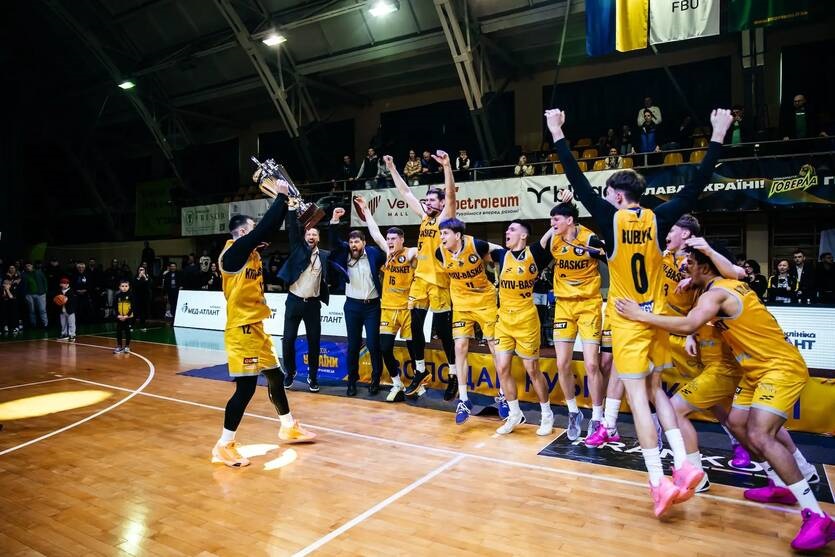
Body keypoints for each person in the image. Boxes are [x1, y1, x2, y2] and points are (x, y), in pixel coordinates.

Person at [544, 106, 732, 517]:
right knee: (656, 391)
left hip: (629, 320)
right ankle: (684, 464)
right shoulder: (658, 218)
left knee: (639, 401)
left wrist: (557, 131)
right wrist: (718, 134)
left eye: (606, 194)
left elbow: (576, 179)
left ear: (615, 195)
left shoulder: (609, 219)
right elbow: (696, 185)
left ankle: (658, 481)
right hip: (657, 316)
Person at [615, 245, 834, 552]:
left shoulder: (716, 294)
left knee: (760, 433)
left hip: (779, 367)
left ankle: (817, 516)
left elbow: (689, 323)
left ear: (705, 266)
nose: (684, 268)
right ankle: (780, 482)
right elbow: (715, 291)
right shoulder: (721, 285)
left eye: (690, 263)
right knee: (737, 423)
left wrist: (641, 316)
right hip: (753, 370)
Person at [213, 175, 315, 468]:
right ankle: (224, 445)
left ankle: (288, 426)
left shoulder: (252, 252)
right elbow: (263, 230)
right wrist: (280, 196)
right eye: (252, 228)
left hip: (256, 327)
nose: (257, 231)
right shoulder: (232, 254)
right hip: (240, 330)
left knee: (275, 376)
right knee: (245, 388)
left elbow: (267, 230)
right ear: (243, 232)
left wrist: (290, 206)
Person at [386, 153, 457, 399]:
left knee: (444, 332)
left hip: (440, 282)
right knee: (415, 326)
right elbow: (405, 192)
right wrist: (392, 167)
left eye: (432, 200)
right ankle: (420, 370)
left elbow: (451, 195)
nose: (427, 203)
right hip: (420, 281)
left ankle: (454, 374)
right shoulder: (425, 218)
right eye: (426, 200)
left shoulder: (445, 219)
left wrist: (447, 166)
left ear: (441, 203)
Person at [544, 202, 606, 440]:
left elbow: (612, 258)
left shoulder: (589, 239)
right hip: (563, 306)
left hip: (588, 305)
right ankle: (573, 412)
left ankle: (597, 417)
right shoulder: (554, 241)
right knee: (562, 364)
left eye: (556, 220)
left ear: (569, 220)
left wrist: (601, 251)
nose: (552, 224)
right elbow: (537, 250)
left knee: (592, 364)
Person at [436, 217, 503, 424]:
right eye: (441, 233)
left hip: (485, 300)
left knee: (495, 347)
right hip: (461, 304)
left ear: (457, 235)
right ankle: (464, 399)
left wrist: (500, 274)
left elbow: (501, 251)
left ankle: (503, 394)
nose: (442, 237)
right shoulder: (440, 253)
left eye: (445, 233)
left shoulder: (477, 245)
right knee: (460, 347)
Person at [492, 220, 556, 436]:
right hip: (504, 320)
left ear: (523, 235)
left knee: (532, 370)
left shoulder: (534, 253)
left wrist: (561, 214)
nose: (507, 232)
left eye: (512, 229)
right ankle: (514, 413)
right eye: (507, 229)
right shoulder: (501, 255)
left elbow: (551, 233)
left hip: (526, 320)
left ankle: (546, 414)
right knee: (502, 368)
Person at [354, 196, 418, 402]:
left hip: (407, 309)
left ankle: (418, 381)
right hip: (388, 309)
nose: (389, 241)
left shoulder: (410, 253)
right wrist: (366, 210)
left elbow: (420, 251)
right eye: (388, 239)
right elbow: (374, 233)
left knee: (414, 349)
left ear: (402, 240)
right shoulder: (388, 254)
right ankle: (397, 383)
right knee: (385, 348)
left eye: (393, 239)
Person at [329, 206, 386, 396]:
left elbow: (388, 253)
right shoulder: (344, 252)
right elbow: (334, 241)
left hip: (372, 307)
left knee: (373, 344)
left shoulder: (374, 253)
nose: (354, 245)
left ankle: (375, 380)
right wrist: (335, 220)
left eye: (357, 242)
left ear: (364, 242)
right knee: (353, 345)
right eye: (351, 242)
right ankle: (352, 382)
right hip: (352, 306)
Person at [277, 197, 331, 393]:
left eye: (314, 234)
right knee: (288, 339)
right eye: (308, 233)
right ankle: (289, 372)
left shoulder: (324, 256)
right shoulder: (298, 249)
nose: (311, 236)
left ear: (318, 238)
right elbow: (293, 231)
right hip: (294, 301)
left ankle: (313, 377)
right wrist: (292, 210)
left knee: (314, 342)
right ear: (305, 236)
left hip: (313, 305)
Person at [113, 279, 134, 354]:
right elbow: (115, 306)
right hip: (119, 317)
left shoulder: (131, 295)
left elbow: (133, 307)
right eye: (122, 286)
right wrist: (118, 315)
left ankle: (127, 346)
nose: (124, 288)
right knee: (119, 332)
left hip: (128, 318)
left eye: (126, 286)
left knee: (127, 332)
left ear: (129, 287)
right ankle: (119, 346)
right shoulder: (117, 295)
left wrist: (127, 316)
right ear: (119, 287)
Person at [54, 277, 76, 342]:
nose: (65, 284)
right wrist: (57, 300)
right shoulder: (59, 291)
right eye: (63, 283)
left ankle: (72, 335)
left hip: (70, 310)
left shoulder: (71, 291)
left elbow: (72, 301)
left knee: (71, 323)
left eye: (66, 283)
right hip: (62, 310)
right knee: (63, 324)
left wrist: (65, 300)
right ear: (60, 284)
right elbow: (56, 300)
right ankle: (64, 334)